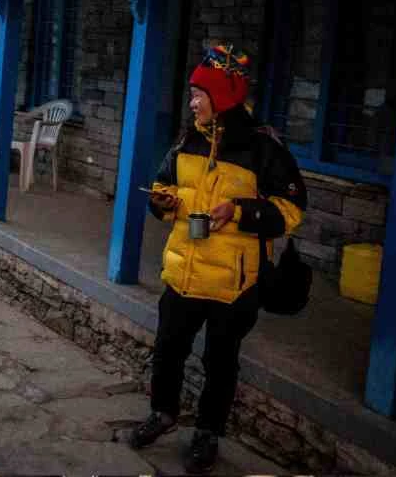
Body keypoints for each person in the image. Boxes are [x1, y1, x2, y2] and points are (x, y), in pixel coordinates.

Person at [129, 45, 307, 474]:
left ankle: (208, 433)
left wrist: (241, 211)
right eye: (192, 94)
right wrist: (163, 201)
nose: (192, 103)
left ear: (224, 96)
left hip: (236, 282)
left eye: (199, 94)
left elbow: (292, 210)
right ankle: (163, 412)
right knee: (168, 348)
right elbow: (161, 186)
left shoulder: (263, 148)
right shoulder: (187, 139)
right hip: (183, 272)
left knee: (220, 361)